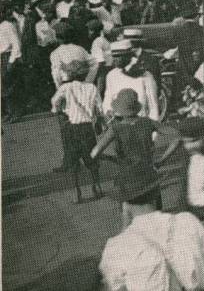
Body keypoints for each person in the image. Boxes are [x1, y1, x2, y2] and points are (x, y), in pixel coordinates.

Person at [91, 89, 181, 227]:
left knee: (128, 224)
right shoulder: (148, 123)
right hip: (149, 176)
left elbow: (94, 153)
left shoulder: (116, 129)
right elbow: (176, 136)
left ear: (119, 109)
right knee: (157, 222)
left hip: (127, 179)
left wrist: (110, 159)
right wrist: (162, 160)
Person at [99, 207, 204, 291]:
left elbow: (114, 285)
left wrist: (124, 231)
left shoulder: (116, 246)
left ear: (125, 206)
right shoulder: (188, 222)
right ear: (157, 194)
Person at [51, 59, 104, 203]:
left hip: (71, 127)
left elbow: (54, 101)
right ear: (85, 73)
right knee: (92, 158)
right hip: (87, 128)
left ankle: (77, 192)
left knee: (73, 159)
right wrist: (98, 118)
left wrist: (57, 109)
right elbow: (100, 107)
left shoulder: (65, 88)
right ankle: (96, 186)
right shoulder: (92, 88)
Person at [103, 40, 161, 121]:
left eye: (119, 56)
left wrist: (154, 126)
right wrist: (108, 110)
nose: (115, 60)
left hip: (140, 122)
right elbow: (108, 97)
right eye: (114, 56)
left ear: (128, 56)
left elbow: (153, 105)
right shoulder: (111, 75)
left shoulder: (145, 76)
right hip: (119, 122)